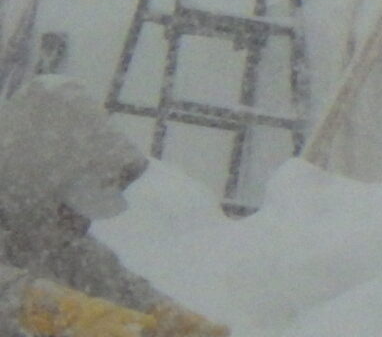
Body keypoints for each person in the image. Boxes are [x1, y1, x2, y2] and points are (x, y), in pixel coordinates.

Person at [0, 79, 225, 337]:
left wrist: (157, 310)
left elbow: (94, 271)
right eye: (69, 209)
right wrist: (45, 306)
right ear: (37, 183)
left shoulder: (39, 229)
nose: (79, 223)